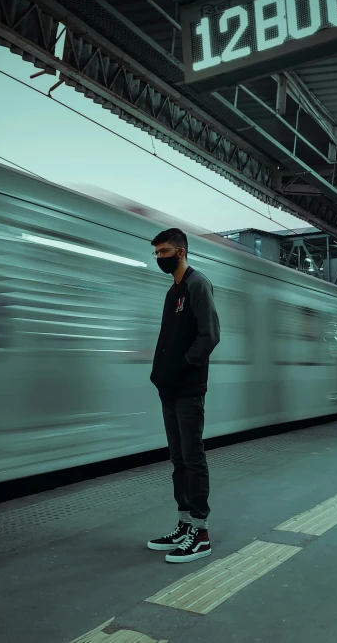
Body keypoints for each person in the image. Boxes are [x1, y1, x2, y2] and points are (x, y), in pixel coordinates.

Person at [147, 227, 220, 563]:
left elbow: (209, 336)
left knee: (192, 458)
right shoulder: (171, 292)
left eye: (163, 252)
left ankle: (201, 533)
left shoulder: (196, 284)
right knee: (178, 459)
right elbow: (167, 339)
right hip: (170, 389)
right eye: (156, 253)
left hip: (189, 388)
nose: (159, 258)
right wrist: (159, 373)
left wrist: (180, 368)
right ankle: (184, 523)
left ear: (180, 251)